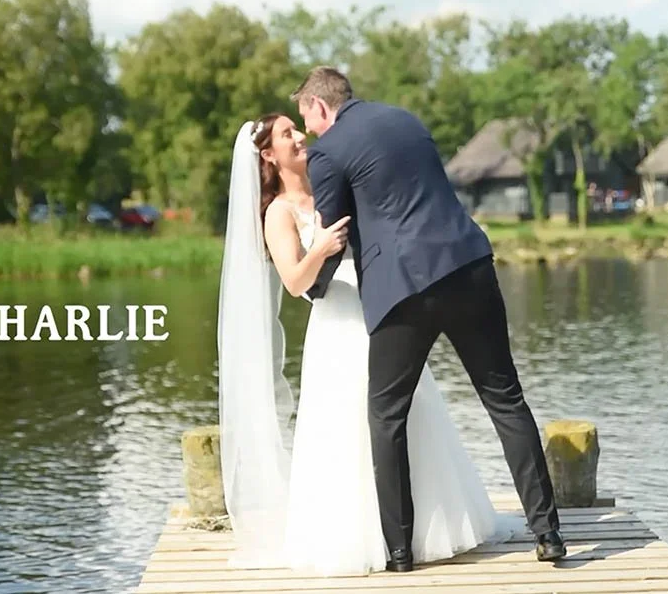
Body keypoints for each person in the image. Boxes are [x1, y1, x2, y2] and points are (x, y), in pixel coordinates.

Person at [216, 114, 516, 576]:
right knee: (349, 425)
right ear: (269, 156)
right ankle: (361, 537)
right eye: (286, 135)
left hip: (387, 306)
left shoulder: (330, 182)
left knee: (409, 415)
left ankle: (423, 532)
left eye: (298, 128)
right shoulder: (277, 212)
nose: (300, 137)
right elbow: (295, 281)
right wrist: (321, 247)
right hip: (337, 320)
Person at [295, 66, 566, 572]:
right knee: (505, 399)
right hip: (468, 266)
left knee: (386, 416)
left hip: (402, 289)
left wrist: (313, 288)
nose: (307, 130)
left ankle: (399, 552)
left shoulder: (327, 151)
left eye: (305, 117)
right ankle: (548, 533)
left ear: (320, 106)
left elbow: (334, 230)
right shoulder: (406, 119)